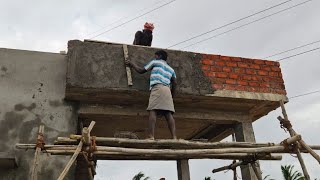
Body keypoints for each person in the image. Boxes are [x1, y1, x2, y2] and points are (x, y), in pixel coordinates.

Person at [126, 50, 177, 140]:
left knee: (153, 110)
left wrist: (131, 64)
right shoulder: (171, 69)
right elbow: (175, 83)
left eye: (156, 56)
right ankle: (174, 137)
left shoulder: (155, 62)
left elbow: (141, 70)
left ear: (160, 56)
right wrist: (172, 96)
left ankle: (151, 136)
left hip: (157, 87)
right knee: (168, 113)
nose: (155, 58)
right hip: (167, 90)